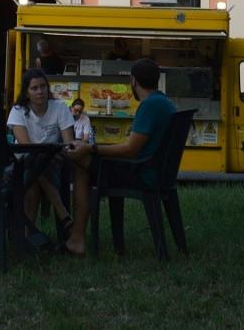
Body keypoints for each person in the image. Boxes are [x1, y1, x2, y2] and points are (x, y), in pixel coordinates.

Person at [62, 57, 175, 255]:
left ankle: (77, 237)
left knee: (80, 163)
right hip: (153, 172)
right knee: (85, 161)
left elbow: (131, 149)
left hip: (141, 174)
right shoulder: (164, 103)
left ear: (133, 81)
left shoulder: (149, 106)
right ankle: (94, 238)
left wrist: (91, 149)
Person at [6, 68, 74, 235]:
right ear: (26, 92)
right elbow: (26, 146)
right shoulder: (18, 111)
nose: (40, 91)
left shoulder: (59, 107)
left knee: (40, 165)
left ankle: (27, 237)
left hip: (53, 161)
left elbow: (68, 143)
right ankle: (62, 212)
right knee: (35, 166)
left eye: (43, 86)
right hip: (24, 162)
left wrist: (56, 152)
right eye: (34, 88)